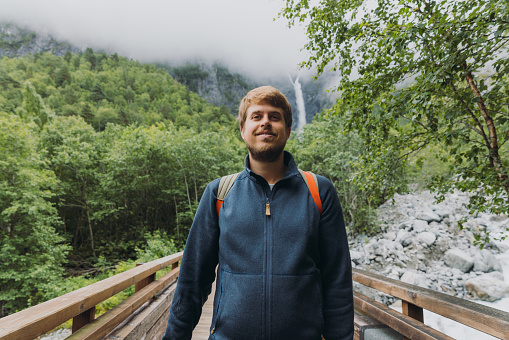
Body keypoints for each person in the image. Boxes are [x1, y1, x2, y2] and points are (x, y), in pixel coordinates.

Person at [162, 86, 354, 339]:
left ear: (287, 130)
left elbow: (337, 281)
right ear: (243, 130)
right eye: (257, 116)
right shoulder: (219, 193)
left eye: (274, 117)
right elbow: (192, 279)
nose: (266, 122)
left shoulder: (319, 191)